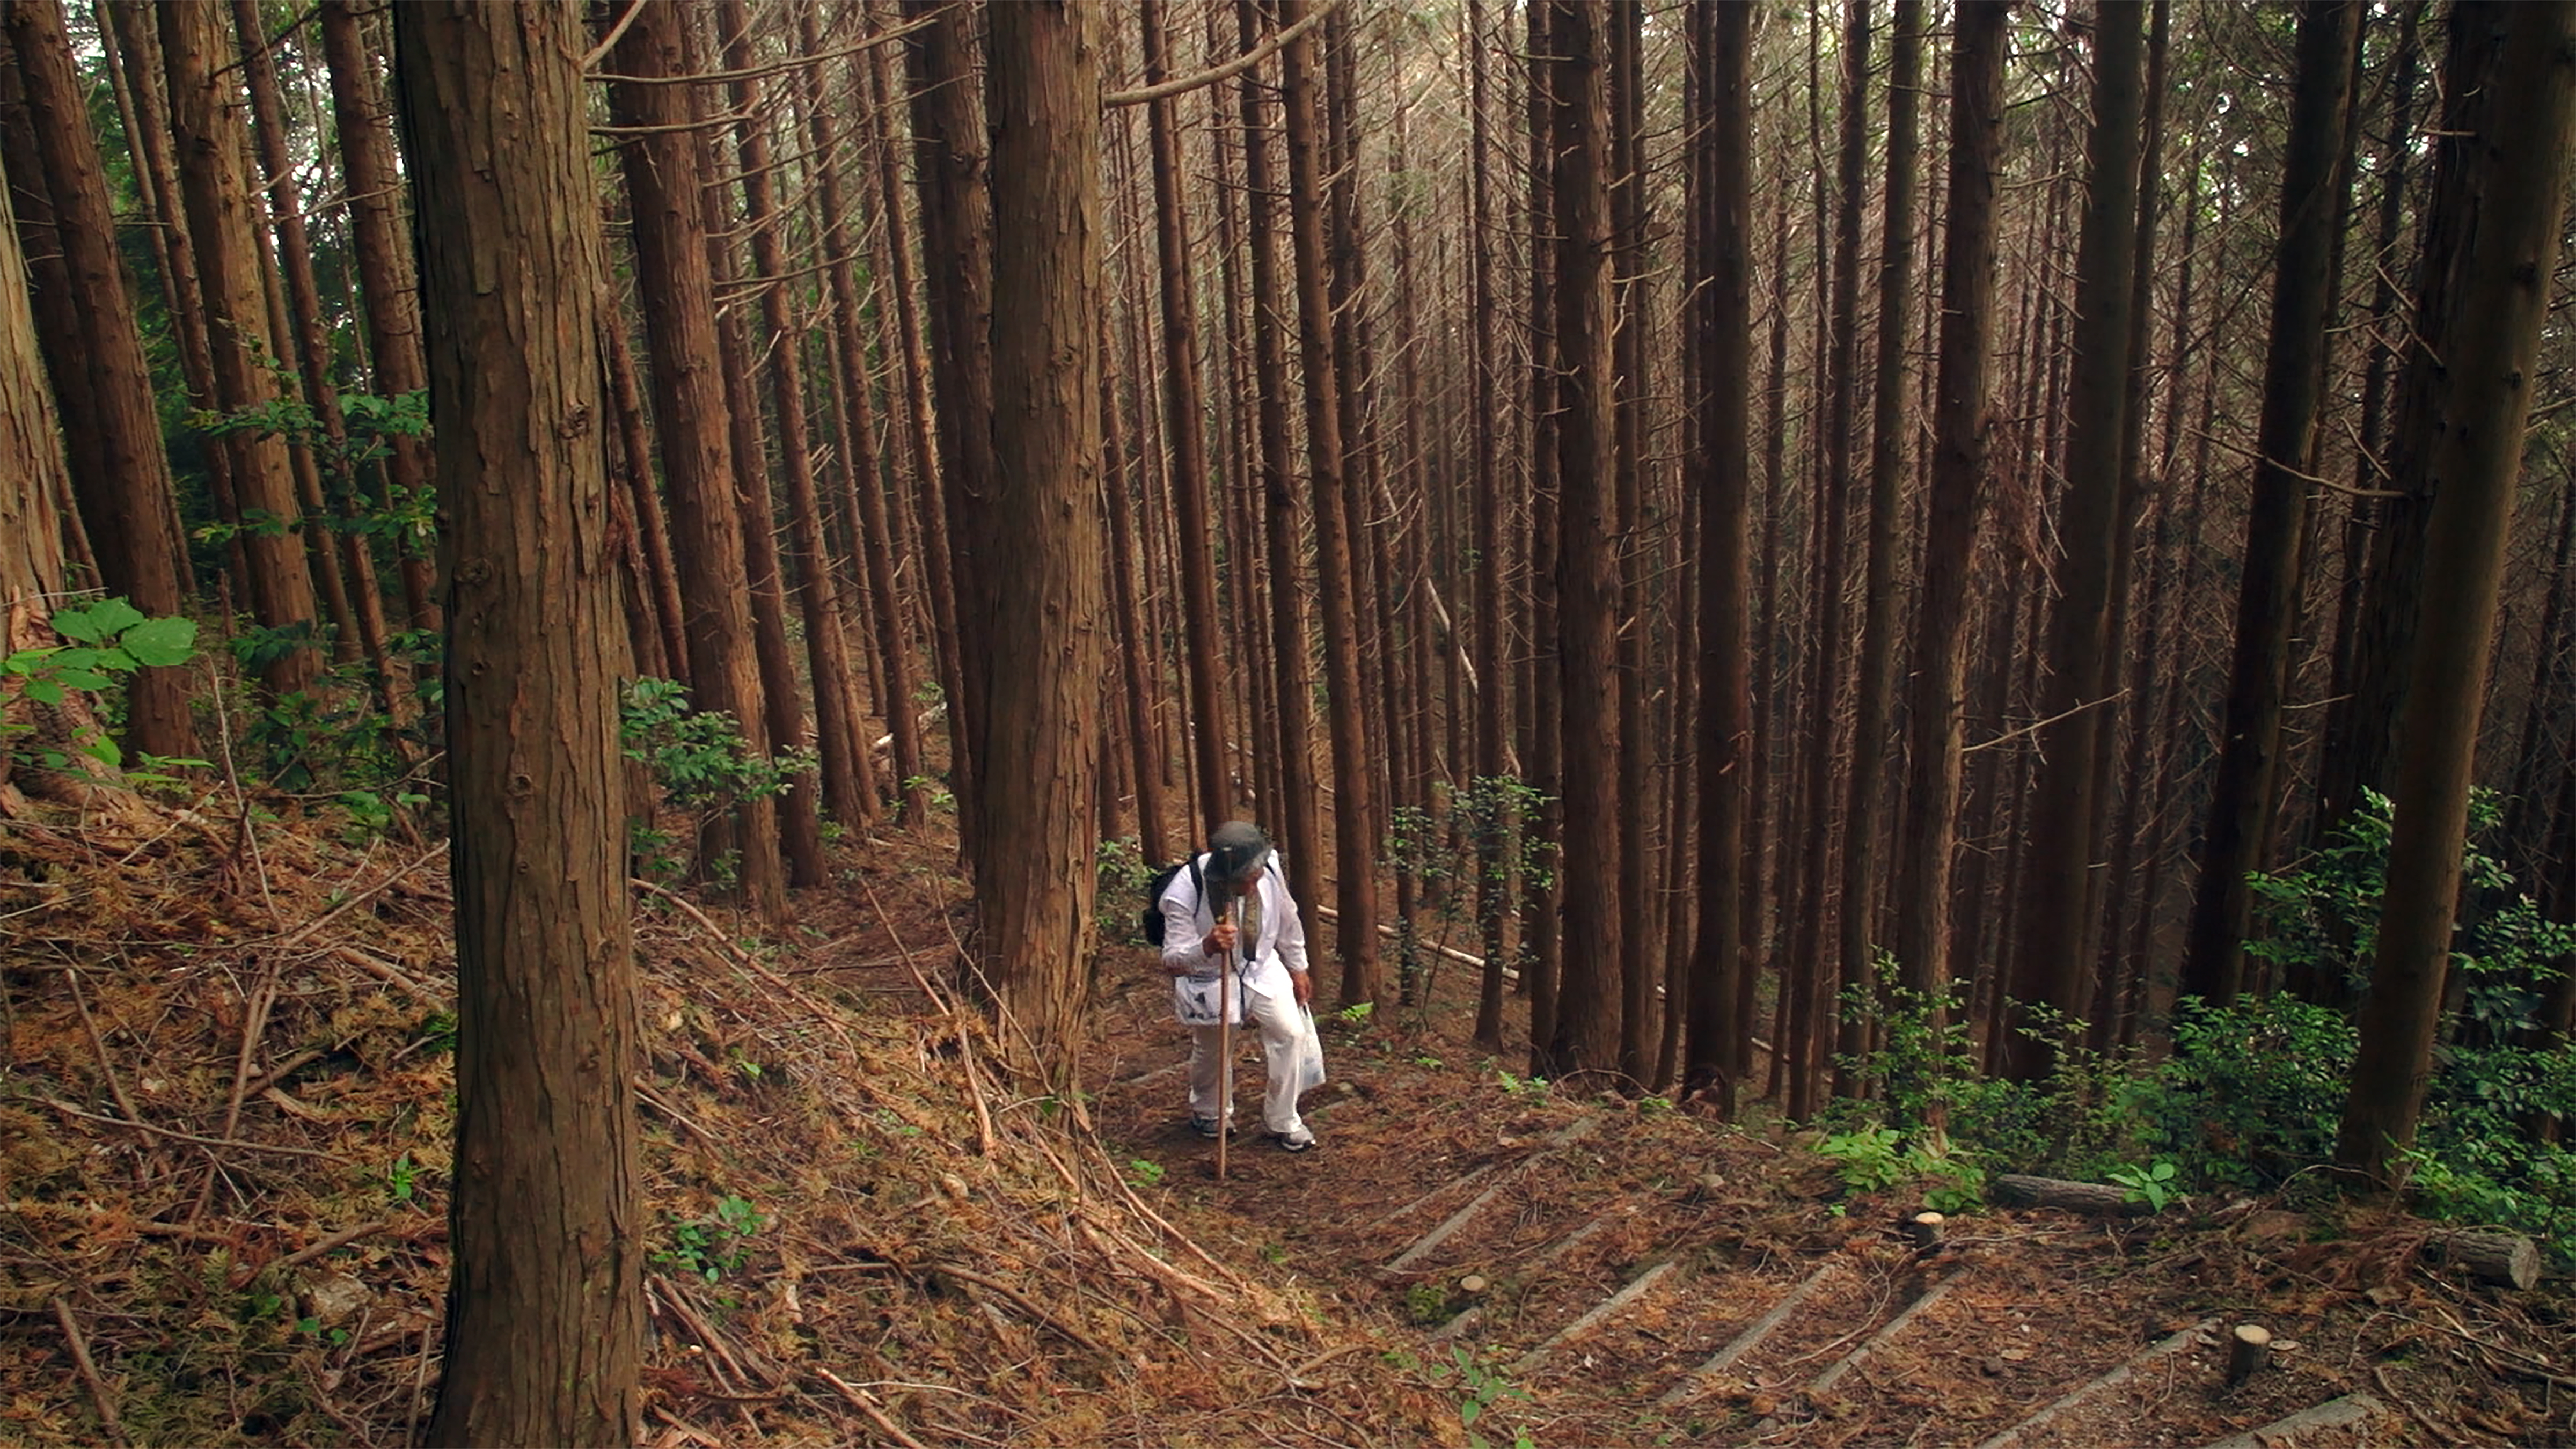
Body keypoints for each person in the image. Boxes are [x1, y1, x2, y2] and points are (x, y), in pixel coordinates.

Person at [1158, 820, 1319, 1152]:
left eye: (1257, 873)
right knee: (1215, 1047)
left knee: (1291, 1034)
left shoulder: (1269, 866)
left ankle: (1283, 1118)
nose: (1255, 880)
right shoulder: (1185, 890)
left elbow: (1288, 917)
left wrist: (1298, 966)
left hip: (1261, 964)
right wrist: (1206, 946)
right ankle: (1210, 1112)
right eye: (1247, 877)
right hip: (1211, 975)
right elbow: (1172, 958)